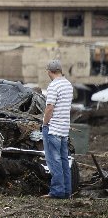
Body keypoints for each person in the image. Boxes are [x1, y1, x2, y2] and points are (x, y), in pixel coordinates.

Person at [41, 59, 74, 199]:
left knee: (54, 161)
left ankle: (57, 192)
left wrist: (44, 123)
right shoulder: (68, 84)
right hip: (64, 129)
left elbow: (49, 107)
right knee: (64, 161)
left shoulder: (53, 86)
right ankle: (67, 191)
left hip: (53, 128)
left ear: (50, 71)